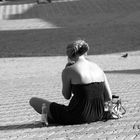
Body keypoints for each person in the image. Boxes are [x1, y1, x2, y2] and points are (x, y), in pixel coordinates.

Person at [29, 39, 112, 125]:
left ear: (69, 55)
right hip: (99, 115)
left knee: (33, 101)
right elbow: (109, 96)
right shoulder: (98, 68)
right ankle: (51, 119)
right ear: (85, 52)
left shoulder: (69, 70)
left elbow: (66, 95)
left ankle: (50, 118)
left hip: (77, 116)